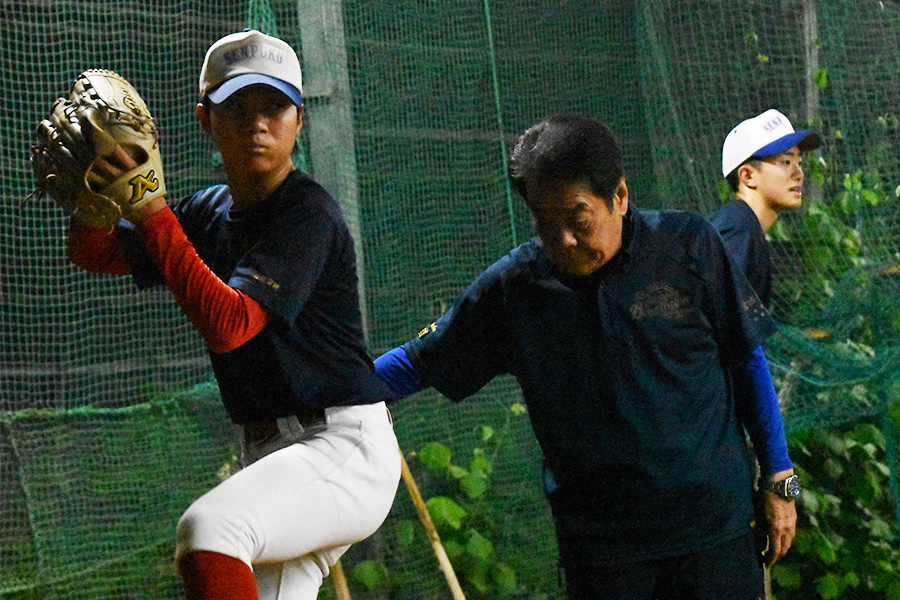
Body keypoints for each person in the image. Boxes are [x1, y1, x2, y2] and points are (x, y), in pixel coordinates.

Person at [375, 114, 799, 599]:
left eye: (578, 220)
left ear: (619, 196)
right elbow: (417, 361)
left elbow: (747, 359)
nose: (564, 241)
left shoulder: (690, 246)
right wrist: (336, 391)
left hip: (714, 532)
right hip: (603, 553)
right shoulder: (516, 288)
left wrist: (778, 476)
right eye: (543, 223)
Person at [65, 29, 400, 600]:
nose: (256, 123)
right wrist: (93, 199)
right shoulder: (208, 209)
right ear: (205, 120)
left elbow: (230, 325)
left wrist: (150, 209)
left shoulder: (308, 213)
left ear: (299, 117)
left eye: (272, 106)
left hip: (340, 447)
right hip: (271, 452)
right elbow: (95, 253)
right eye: (236, 107)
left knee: (211, 531)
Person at [710, 108, 822, 308]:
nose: (799, 174)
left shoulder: (741, 225)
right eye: (786, 161)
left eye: (799, 162)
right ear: (747, 176)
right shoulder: (738, 231)